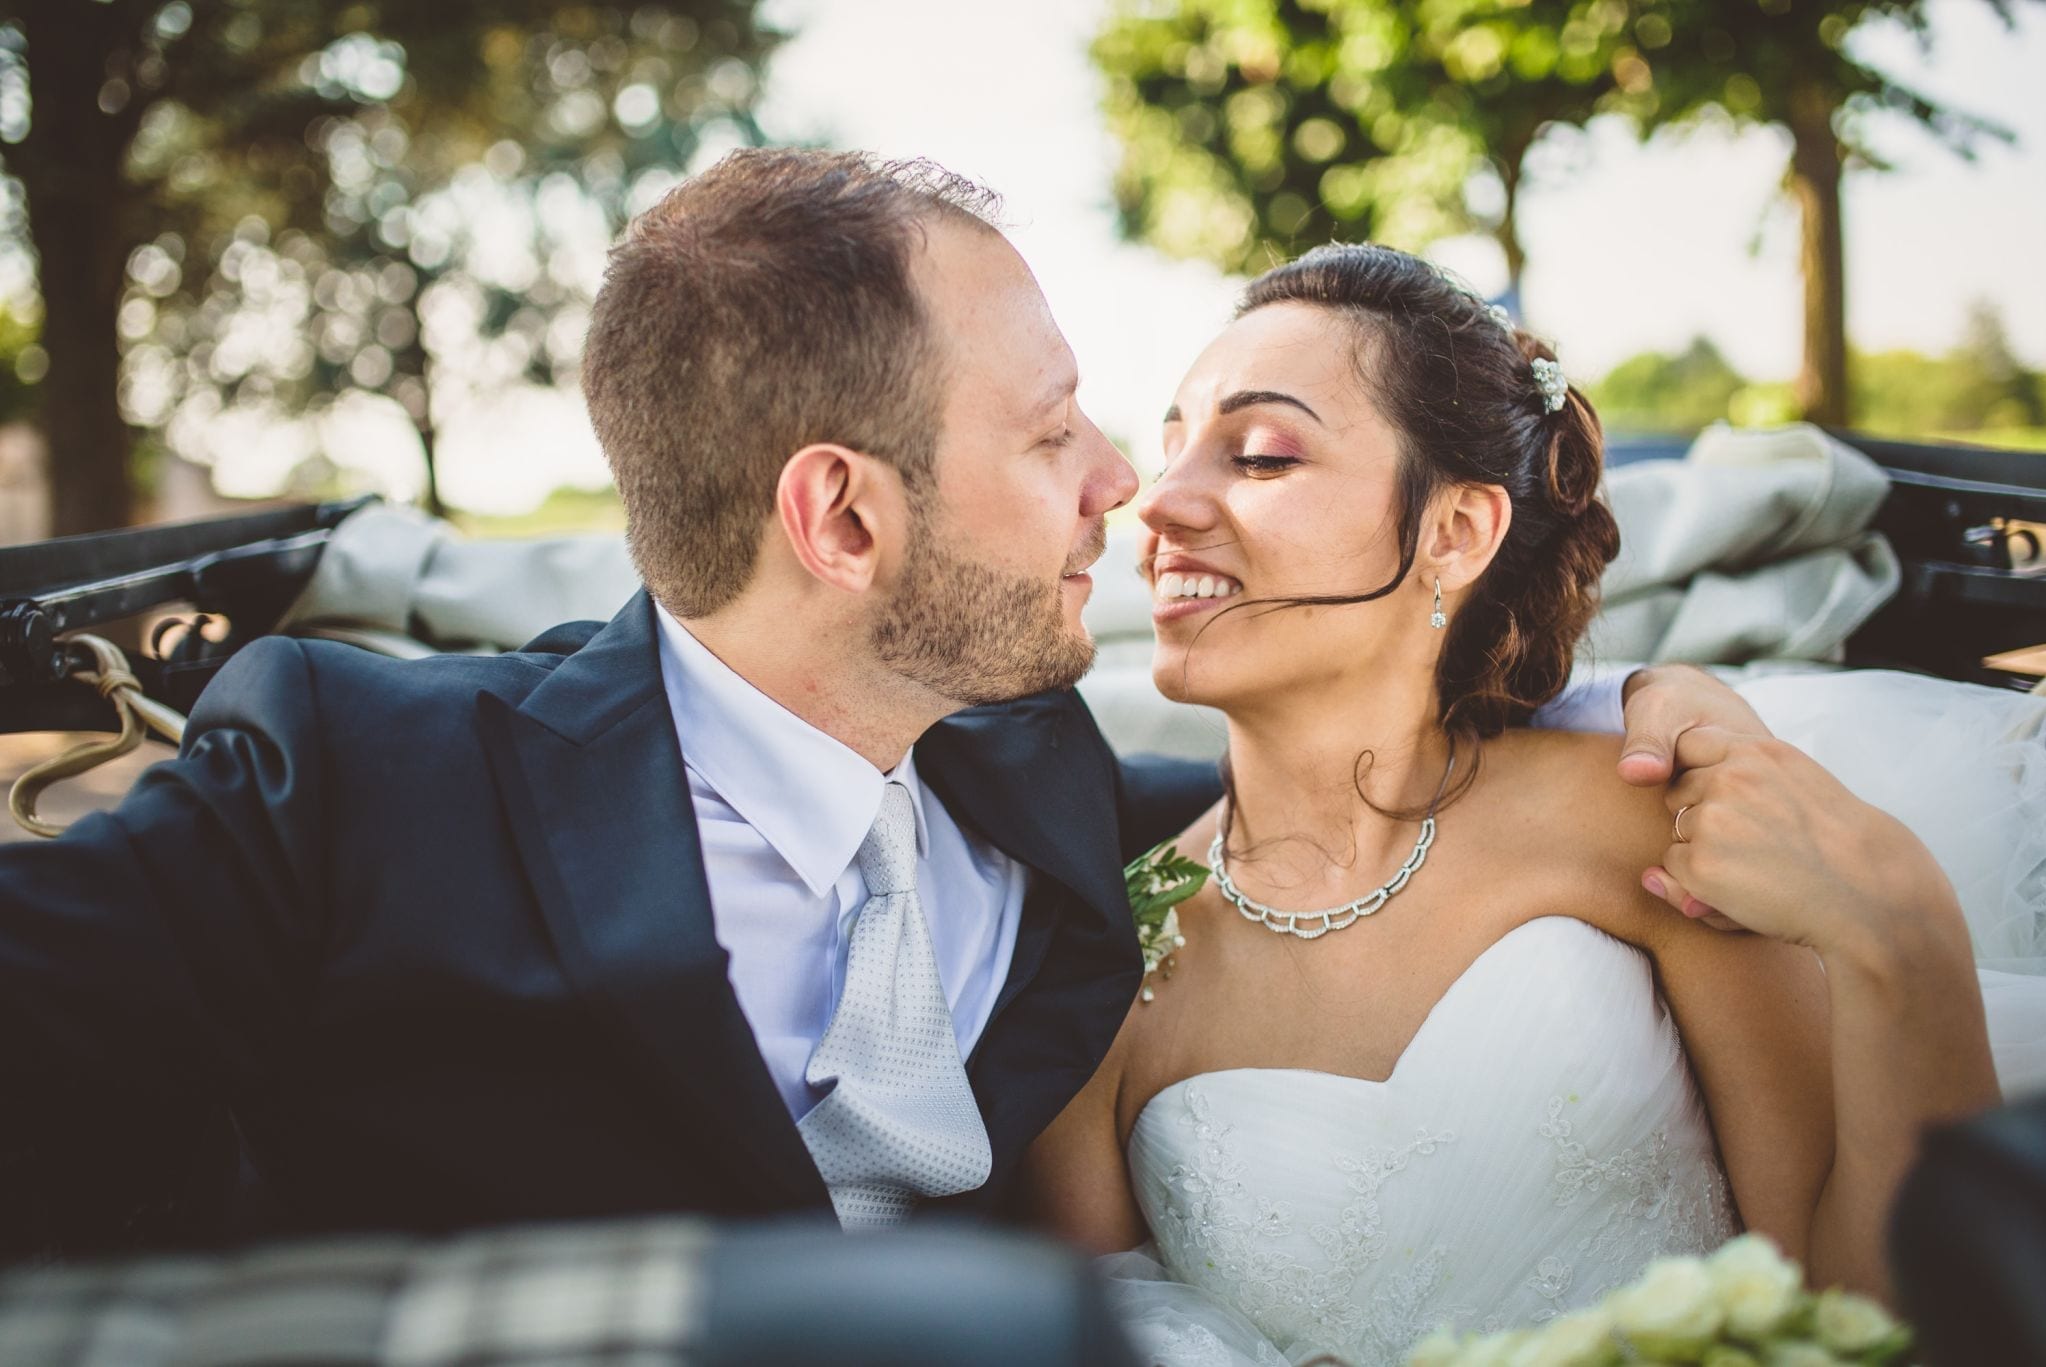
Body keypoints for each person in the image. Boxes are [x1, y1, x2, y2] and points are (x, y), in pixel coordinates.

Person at [0, 152, 1756, 1253]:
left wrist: (1628, 699)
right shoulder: (348, 779)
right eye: (1053, 432)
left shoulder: (1033, 766)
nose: (1114, 497)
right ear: (841, 516)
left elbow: (1324, 793)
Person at [1024, 244, 2030, 1366]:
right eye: (1170, 445)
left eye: (1259, 455)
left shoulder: (1647, 826)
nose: (1157, 501)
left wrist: (1902, 931)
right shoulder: (1105, 969)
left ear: (1454, 531)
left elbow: (1856, 1302)